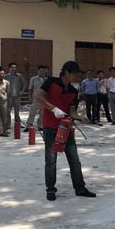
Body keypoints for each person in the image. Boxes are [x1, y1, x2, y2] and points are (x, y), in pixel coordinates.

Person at [36, 61, 95, 201]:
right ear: (66, 73)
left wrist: (81, 118)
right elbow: (38, 97)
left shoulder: (74, 92)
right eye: (75, 74)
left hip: (65, 128)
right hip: (50, 127)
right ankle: (50, 190)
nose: (77, 77)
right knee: (51, 160)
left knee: (74, 160)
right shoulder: (51, 82)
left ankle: (80, 188)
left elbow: (71, 112)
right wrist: (53, 109)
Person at [5, 62, 26, 130]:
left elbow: (25, 83)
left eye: (15, 67)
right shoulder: (6, 76)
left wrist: (22, 91)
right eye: (12, 67)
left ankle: (18, 124)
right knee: (8, 111)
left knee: (17, 111)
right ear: (9, 68)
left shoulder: (19, 76)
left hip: (17, 96)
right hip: (9, 96)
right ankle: (8, 124)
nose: (14, 68)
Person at [25, 65, 47, 132]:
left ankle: (40, 126)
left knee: (42, 113)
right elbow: (30, 89)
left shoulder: (47, 80)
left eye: (43, 71)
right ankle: (28, 126)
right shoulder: (33, 79)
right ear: (38, 71)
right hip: (35, 99)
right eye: (40, 71)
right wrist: (29, 97)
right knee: (32, 113)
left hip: (44, 99)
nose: (42, 72)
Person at [0, 68, 10, 133]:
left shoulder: (7, 82)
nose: (2, 75)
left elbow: (8, 92)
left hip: (4, 101)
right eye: (0, 73)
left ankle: (4, 130)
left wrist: (6, 98)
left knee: (4, 116)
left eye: (3, 73)